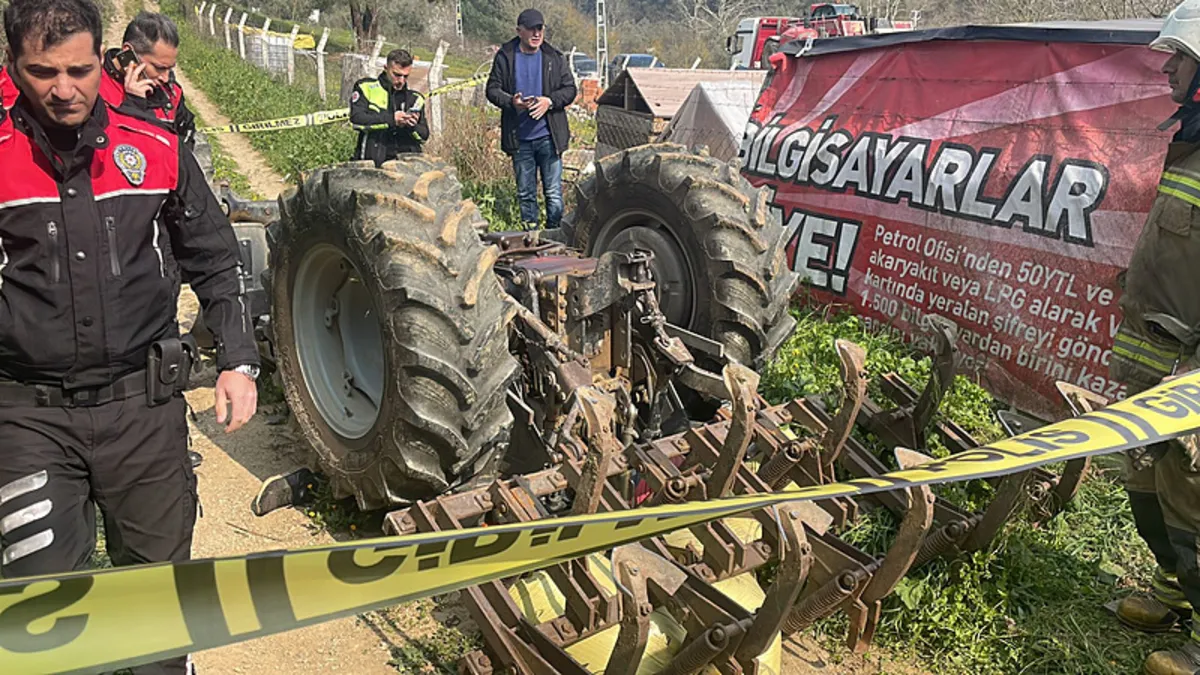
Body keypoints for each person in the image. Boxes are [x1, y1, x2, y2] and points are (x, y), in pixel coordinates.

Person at [0, 2, 259, 674]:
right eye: (43, 72)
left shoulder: (154, 144)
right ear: (14, 68)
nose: (64, 89)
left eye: (80, 69)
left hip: (142, 412)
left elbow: (212, 253)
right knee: (41, 625)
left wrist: (237, 358)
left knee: (154, 612)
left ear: (104, 61)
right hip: (26, 418)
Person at [1109, 2, 1200, 673]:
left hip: (1187, 383)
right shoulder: (1191, 143)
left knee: (1193, 504)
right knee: (1146, 491)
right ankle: (1174, 593)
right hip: (1152, 369)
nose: (1167, 66)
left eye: (1182, 58)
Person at [485, 8, 576, 229]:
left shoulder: (554, 57)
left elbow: (570, 89)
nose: (536, 33)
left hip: (549, 137)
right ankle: (530, 238)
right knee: (526, 194)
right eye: (531, 29)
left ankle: (554, 237)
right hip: (520, 139)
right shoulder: (506, 56)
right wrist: (511, 102)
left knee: (553, 194)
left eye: (540, 28)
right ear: (519, 31)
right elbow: (492, 89)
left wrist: (549, 101)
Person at [99, 11, 196, 148]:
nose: (166, 78)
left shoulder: (170, 92)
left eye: (170, 68)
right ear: (128, 52)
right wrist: (135, 106)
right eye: (159, 68)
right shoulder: (94, 87)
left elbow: (185, 140)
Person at [349, 48, 429, 166]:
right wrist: (392, 120)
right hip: (373, 163)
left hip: (407, 167)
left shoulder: (416, 99)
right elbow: (357, 120)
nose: (401, 81)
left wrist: (412, 126)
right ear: (386, 68)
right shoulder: (365, 87)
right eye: (397, 75)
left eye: (406, 76)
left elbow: (424, 136)